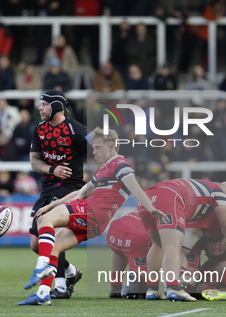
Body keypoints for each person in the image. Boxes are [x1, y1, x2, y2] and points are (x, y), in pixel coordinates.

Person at [20, 127, 166, 305]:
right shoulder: (103, 170)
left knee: (45, 220)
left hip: (92, 211)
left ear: (111, 147)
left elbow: (135, 187)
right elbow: (79, 194)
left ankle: (41, 267)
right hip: (96, 223)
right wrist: (51, 205)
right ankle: (43, 294)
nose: (94, 153)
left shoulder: (119, 163)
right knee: (55, 247)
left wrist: (150, 208)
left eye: (98, 148)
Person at [26, 90, 88, 300]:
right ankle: (71, 273)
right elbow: (34, 161)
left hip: (70, 189)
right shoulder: (40, 128)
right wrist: (52, 170)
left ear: (55, 107)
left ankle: (59, 286)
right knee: (36, 244)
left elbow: (99, 151)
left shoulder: (76, 129)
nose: (40, 108)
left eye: (43, 104)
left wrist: (97, 178)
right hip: (48, 188)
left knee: (52, 235)